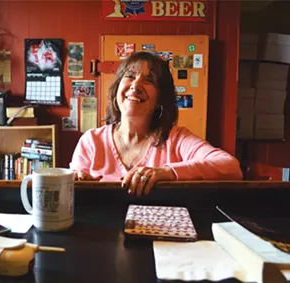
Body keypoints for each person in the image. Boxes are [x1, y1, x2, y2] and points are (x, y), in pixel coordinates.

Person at [69, 51, 243, 196]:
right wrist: (76, 179)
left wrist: (167, 172)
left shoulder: (176, 138)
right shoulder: (91, 141)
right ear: (116, 91)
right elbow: (73, 191)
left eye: (149, 80)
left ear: (160, 98)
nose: (136, 85)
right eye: (130, 76)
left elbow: (231, 167)